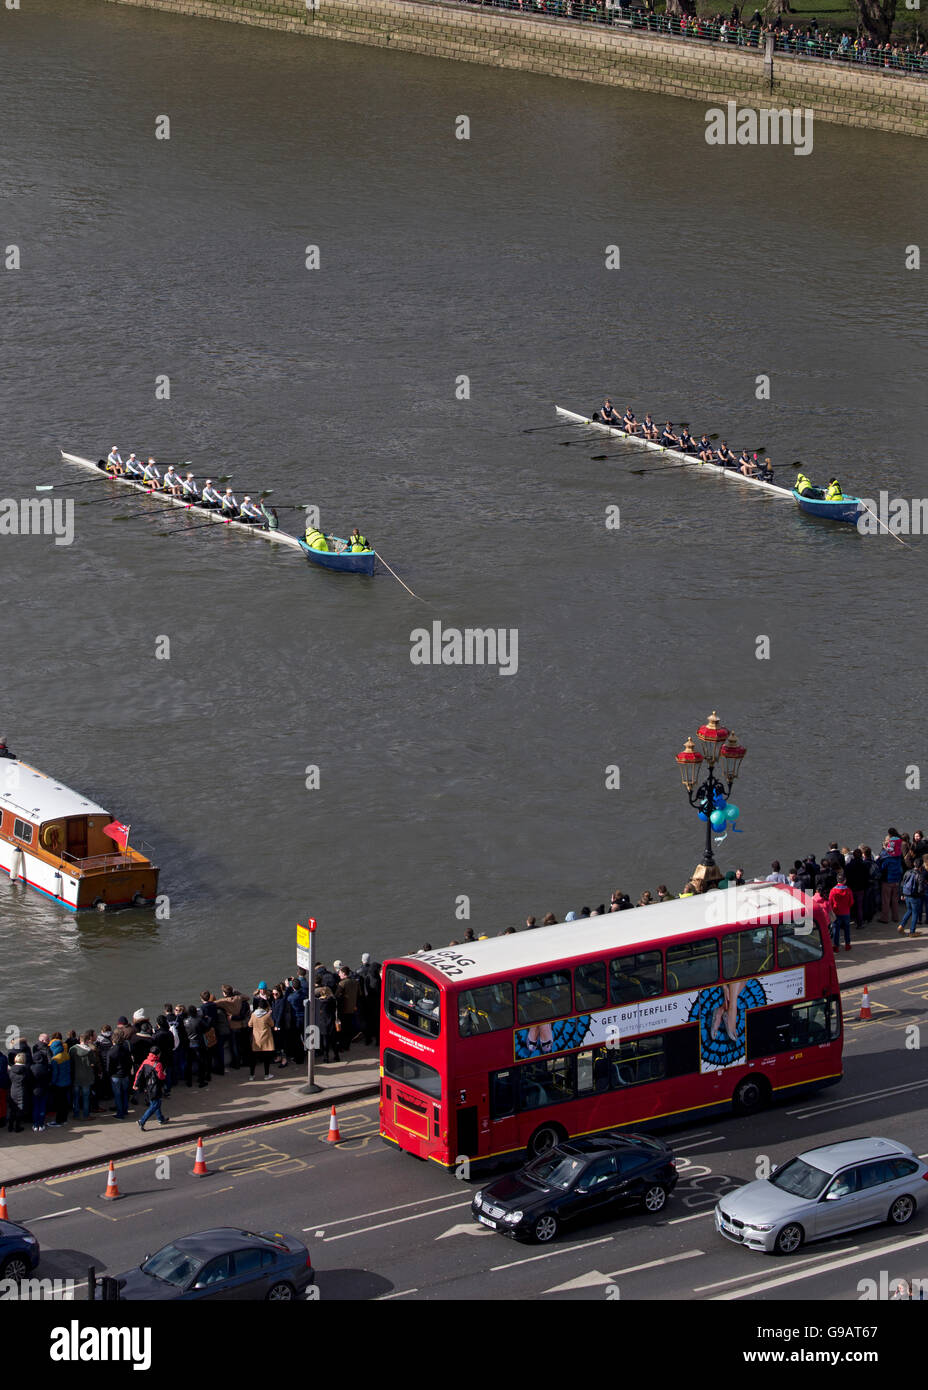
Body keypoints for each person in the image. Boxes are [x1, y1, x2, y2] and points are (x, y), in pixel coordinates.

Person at [134, 1046, 169, 1130]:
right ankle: (142, 1121)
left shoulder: (145, 1061)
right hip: (155, 1087)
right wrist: (164, 1075)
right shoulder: (158, 1064)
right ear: (157, 1054)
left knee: (157, 1103)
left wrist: (135, 1084)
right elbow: (160, 1077)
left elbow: (139, 1073)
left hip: (148, 1086)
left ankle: (161, 1119)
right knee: (155, 1105)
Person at [247, 998, 275, 1079]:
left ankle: (251, 1075)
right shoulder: (267, 1016)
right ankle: (266, 1075)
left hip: (256, 1039)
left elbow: (249, 1024)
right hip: (266, 1039)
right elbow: (272, 1024)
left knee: (253, 1059)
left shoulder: (253, 1015)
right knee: (266, 1059)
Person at [827, 872, 854, 952]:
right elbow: (851, 902)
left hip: (836, 912)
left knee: (836, 930)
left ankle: (836, 946)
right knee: (847, 929)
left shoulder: (833, 890)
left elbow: (830, 902)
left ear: (837, 880)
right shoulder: (848, 890)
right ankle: (847, 945)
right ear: (845, 880)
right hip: (846, 912)